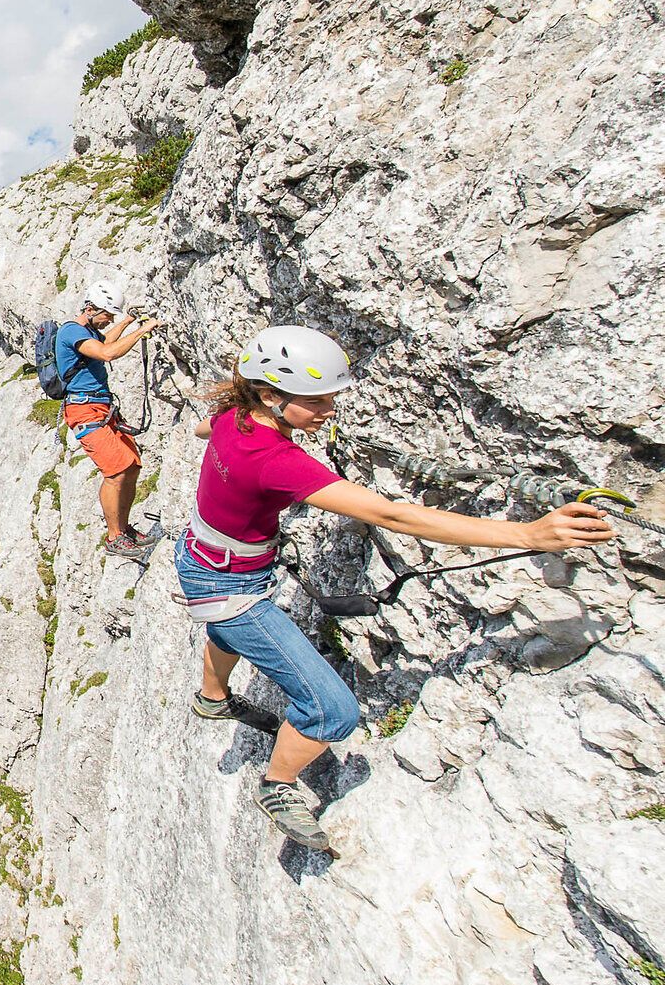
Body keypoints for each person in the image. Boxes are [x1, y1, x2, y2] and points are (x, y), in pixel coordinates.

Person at [178, 325, 615, 849]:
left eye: (331, 399)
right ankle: (278, 785)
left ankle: (212, 696)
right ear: (272, 395)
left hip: (205, 561)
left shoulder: (236, 418)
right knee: (332, 710)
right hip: (232, 587)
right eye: (317, 402)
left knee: (225, 631)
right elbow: (393, 516)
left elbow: (208, 431)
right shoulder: (275, 460)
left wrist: (213, 441)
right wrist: (529, 533)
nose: (329, 411)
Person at [56, 281, 163, 558]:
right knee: (115, 471)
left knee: (132, 465)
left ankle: (124, 529)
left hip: (101, 410)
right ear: (90, 308)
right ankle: (115, 536)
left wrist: (127, 321)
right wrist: (141, 331)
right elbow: (107, 353)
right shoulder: (71, 331)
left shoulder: (87, 332)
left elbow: (104, 343)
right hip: (85, 411)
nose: (109, 321)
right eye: (107, 315)